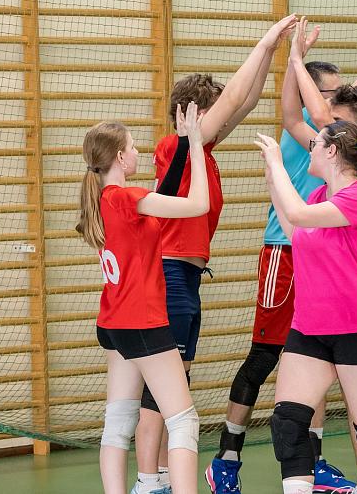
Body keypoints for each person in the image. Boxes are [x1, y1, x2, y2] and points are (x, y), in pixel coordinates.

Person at [132, 15, 298, 494]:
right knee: (163, 390)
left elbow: (244, 101)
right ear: (193, 115)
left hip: (185, 280)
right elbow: (231, 102)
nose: (223, 122)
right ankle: (151, 479)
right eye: (212, 115)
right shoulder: (176, 147)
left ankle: (162, 476)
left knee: (174, 384)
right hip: (169, 277)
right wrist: (264, 40)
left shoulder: (203, 154)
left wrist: (270, 55)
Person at [205, 57, 357, 494]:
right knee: (264, 356)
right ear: (312, 96)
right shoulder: (304, 127)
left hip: (319, 251)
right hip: (284, 251)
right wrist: (292, 57)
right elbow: (292, 103)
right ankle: (226, 458)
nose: (337, 99)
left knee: (318, 356)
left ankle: (315, 461)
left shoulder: (335, 137)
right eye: (330, 92)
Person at [256, 120, 357, 494]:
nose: (310, 151)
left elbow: (298, 216)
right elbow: (297, 232)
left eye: (314, 145)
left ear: (332, 151)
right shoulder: (318, 195)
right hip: (310, 327)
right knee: (288, 423)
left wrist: (277, 163)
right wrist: (274, 182)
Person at [75, 102, 209, 494]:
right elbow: (197, 205)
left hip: (113, 324)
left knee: (118, 424)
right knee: (183, 421)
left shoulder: (104, 201)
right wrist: (196, 144)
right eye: (133, 147)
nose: (138, 152)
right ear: (120, 157)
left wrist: (180, 143)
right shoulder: (125, 198)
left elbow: (161, 198)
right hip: (142, 323)